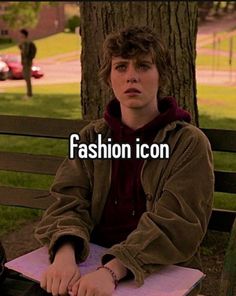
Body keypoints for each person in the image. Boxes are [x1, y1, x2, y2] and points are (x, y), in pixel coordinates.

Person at [35, 26, 214, 296]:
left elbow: (177, 223)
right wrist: (64, 254)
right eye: (121, 67)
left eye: (143, 66)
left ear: (160, 75)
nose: (132, 76)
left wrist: (112, 271)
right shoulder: (91, 138)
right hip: (87, 265)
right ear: (109, 78)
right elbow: (68, 199)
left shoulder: (187, 143)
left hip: (154, 271)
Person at [19, 29, 36, 99]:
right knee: (26, 77)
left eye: (21, 34)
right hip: (24, 63)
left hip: (27, 63)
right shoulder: (24, 43)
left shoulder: (28, 43)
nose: (20, 36)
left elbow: (27, 52)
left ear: (24, 35)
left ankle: (29, 94)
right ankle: (29, 93)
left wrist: (30, 58)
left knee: (27, 78)